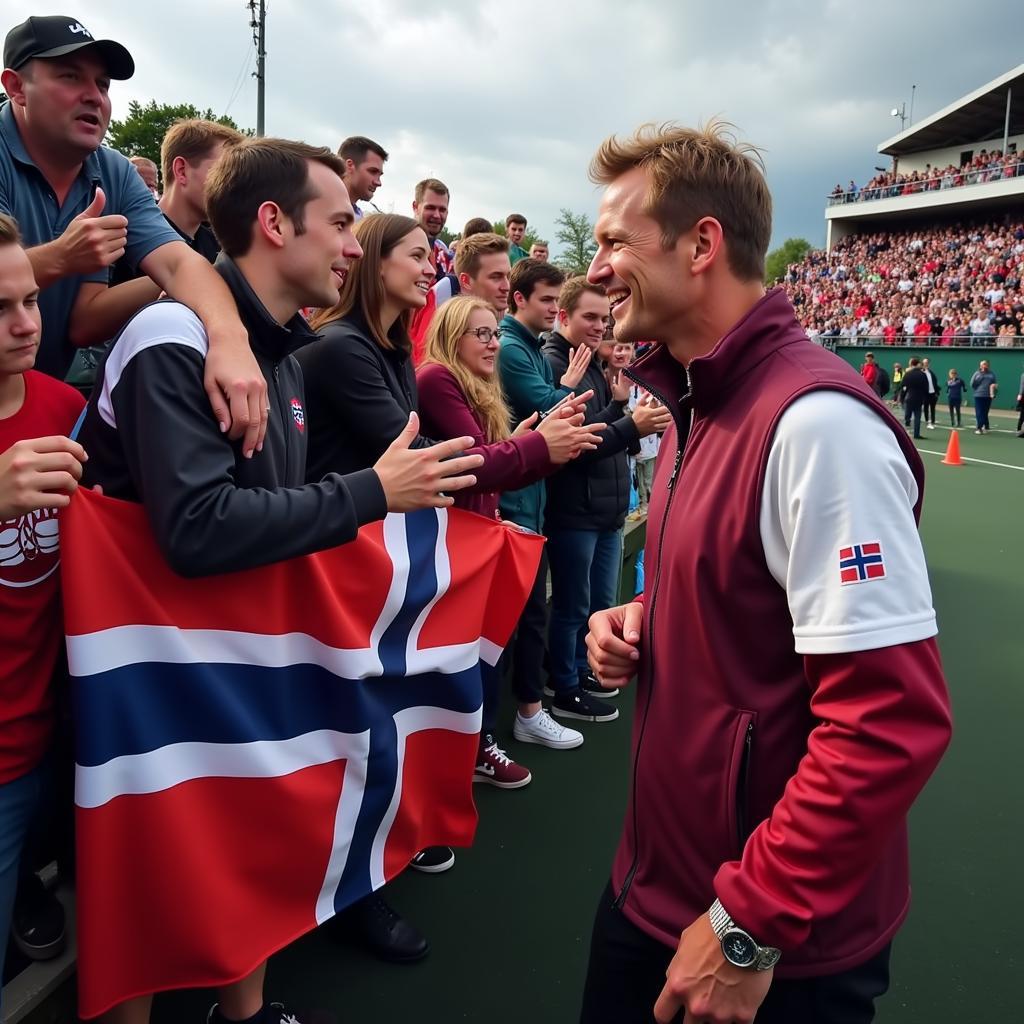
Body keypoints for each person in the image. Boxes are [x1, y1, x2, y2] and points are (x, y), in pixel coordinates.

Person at [76, 138, 484, 1024]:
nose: (353, 243)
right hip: (148, 692)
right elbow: (195, 529)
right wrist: (373, 491)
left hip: (229, 665)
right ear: (272, 223)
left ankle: (247, 1011)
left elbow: (287, 509)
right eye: (340, 222)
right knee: (145, 886)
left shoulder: (284, 357)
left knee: (247, 839)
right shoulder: (171, 335)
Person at [581, 122, 951, 1024]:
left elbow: (888, 724)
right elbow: (737, 590)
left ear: (701, 244)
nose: (595, 268)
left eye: (615, 241)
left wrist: (749, 923)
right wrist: (640, 615)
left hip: (764, 941)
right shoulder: (695, 400)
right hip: (658, 887)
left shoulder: (818, 425)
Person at [296, 212, 492, 951]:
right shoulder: (342, 349)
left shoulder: (381, 349)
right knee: (354, 738)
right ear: (378, 264)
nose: (428, 267)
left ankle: (368, 871)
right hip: (338, 574)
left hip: (373, 571)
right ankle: (351, 898)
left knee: (379, 730)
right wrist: (530, 450)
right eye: (416, 255)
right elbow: (428, 461)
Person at [0, 15, 266, 454]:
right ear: (16, 87)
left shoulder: (113, 170)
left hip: (40, 402)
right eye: (70, 76)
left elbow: (180, 263)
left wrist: (230, 340)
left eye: (103, 84)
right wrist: (61, 258)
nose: (94, 96)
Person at [417, 296, 603, 786]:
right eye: (481, 334)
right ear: (450, 336)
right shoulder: (437, 377)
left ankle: (475, 748)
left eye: (494, 334)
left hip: (475, 538)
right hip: (448, 542)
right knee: (456, 659)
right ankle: (456, 758)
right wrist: (534, 445)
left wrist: (527, 440)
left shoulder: (477, 385)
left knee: (480, 652)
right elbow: (477, 464)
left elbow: (494, 465)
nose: (493, 343)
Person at [0, 212, 87, 995]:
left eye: (30, 299)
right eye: (0, 308)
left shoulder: (65, 406)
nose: (27, 324)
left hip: (55, 733)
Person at [542, 276, 670, 721]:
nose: (600, 327)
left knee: (595, 602)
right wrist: (631, 422)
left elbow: (605, 430)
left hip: (605, 508)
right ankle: (565, 684)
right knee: (573, 605)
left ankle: (579, 672)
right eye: (590, 318)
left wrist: (621, 412)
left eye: (604, 318)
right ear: (564, 317)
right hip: (575, 510)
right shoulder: (555, 363)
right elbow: (577, 443)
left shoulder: (593, 364)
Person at [497, 258, 595, 751]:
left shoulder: (530, 346)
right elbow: (549, 410)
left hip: (531, 495)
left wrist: (566, 394)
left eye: (558, 302)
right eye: (548, 301)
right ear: (520, 299)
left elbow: (558, 408)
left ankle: (526, 712)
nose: (555, 311)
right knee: (521, 615)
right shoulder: (512, 346)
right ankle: (517, 717)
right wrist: (570, 389)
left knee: (536, 611)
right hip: (514, 497)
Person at [68, 118, 244, 353]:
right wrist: (197, 275)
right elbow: (85, 325)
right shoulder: (118, 231)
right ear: (181, 170)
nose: (235, 187)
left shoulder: (217, 245)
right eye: (225, 172)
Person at [409, 231, 511, 361]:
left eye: (508, 276)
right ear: (466, 281)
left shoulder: (500, 323)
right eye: (496, 277)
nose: (506, 286)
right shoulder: (437, 325)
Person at [338, 135, 387, 219]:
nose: (378, 183)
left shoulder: (359, 217)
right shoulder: (320, 207)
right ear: (350, 165)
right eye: (373, 171)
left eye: (379, 175)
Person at [412, 177, 453, 276]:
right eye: (430, 208)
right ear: (415, 207)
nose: (437, 215)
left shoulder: (443, 251)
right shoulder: (398, 244)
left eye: (442, 210)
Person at [901, 357, 928, 439]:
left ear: (912, 364)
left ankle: (905, 429)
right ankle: (916, 433)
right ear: (917, 364)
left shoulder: (908, 374)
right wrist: (924, 398)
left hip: (909, 396)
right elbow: (925, 387)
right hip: (919, 397)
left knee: (907, 414)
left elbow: (903, 386)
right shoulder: (923, 375)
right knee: (917, 416)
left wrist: (902, 397)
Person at [970, 359, 997, 433]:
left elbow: (994, 383)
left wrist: (993, 389)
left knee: (985, 412)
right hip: (978, 395)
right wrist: (981, 375)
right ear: (980, 365)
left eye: (986, 364)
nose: (985, 365)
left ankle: (984, 426)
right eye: (983, 364)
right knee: (979, 411)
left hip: (988, 396)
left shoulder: (991, 374)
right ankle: (979, 427)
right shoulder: (977, 373)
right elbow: (972, 384)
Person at [921, 357, 940, 428]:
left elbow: (935, 382)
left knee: (932, 408)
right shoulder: (921, 372)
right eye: (924, 363)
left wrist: (937, 392)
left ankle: (933, 421)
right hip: (925, 393)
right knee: (925, 407)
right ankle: (926, 421)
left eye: (927, 363)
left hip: (933, 393)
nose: (926, 364)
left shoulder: (931, 372)